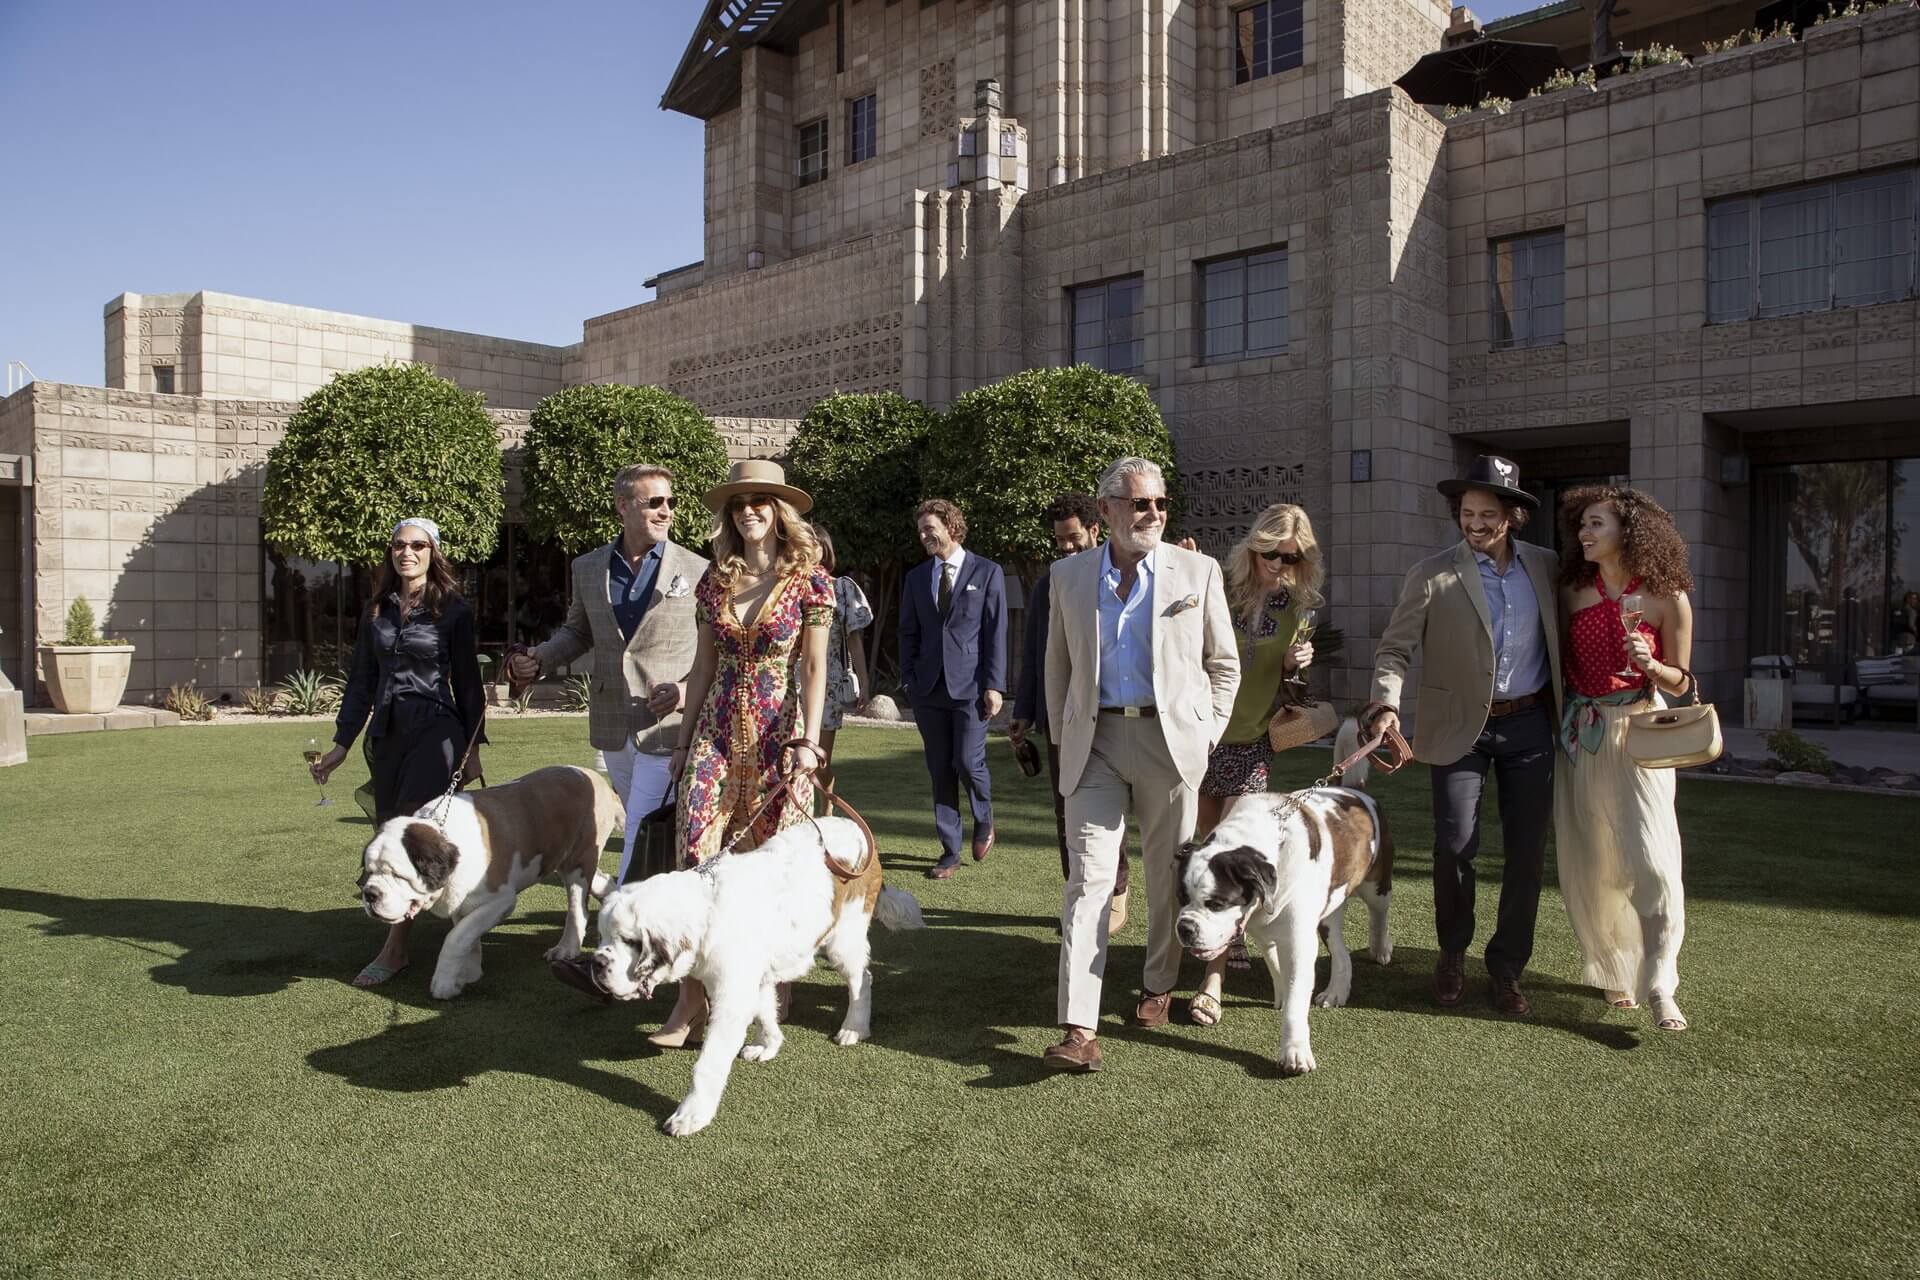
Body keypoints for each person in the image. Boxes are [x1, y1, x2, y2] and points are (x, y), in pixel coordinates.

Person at [1041, 457, 1240, 1072]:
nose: (1152, 513)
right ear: (1106, 511)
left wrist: (1205, 734)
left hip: (1171, 743)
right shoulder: (1067, 575)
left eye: (1159, 503)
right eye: (1138, 504)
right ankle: (1079, 1027)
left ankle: (1158, 984)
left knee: (1165, 875)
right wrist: (1064, 736)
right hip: (1095, 744)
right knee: (1087, 882)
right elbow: (1058, 668)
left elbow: (1223, 665)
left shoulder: (1197, 570)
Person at [1364, 455, 1563, 1016]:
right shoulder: (1431, 573)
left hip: (1529, 725)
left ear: (1514, 516)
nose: (1475, 523)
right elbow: (1394, 648)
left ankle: (1506, 970)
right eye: (1467, 513)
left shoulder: (1546, 568)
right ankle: (1452, 952)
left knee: (1526, 855)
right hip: (1457, 730)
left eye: (1488, 513)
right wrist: (1385, 704)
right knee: (1454, 848)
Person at [506, 465, 710, 996]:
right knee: (645, 840)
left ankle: (606, 957)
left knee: (640, 827)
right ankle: (657, 944)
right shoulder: (589, 566)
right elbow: (578, 632)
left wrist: (688, 689)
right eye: (654, 502)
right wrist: (539, 660)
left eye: (670, 502)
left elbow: (715, 646)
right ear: (623, 507)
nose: (666, 510)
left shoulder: (699, 568)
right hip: (611, 722)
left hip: (668, 727)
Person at [652, 459, 834, 1047]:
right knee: (694, 855)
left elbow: (812, 664)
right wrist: (682, 743)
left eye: (760, 500)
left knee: (775, 864)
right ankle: (690, 1003)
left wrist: (808, 738)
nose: (748, 510)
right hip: (715, 731)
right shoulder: (714, 580)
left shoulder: (812, 581)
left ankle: (770, 993)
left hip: (783, 733)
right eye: (738, 503)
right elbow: (703, 664)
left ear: (779, 512)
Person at [311, 518, 486, 988]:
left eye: (417, 546)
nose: (406, 553)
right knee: (387, 829)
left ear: (433, 552)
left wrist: (472, 750)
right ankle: (438, 921)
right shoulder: (377, 609)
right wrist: (341, 745)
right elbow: (362, 682)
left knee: (411, 829)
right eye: (398, 545)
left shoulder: (454, 610)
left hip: (436, 731)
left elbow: (470, 685)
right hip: (386, 734)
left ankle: (396, 948)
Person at [1554, 485, 1697, 1031]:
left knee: (1654, 860)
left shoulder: (1668, 597)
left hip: (1639, 732)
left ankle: (1661, 979)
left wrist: (1652, 666)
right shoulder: (1571, 591)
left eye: (1597, 525)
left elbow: (1683, 683)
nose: (1586, 534)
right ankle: (1617, 968)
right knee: (1597, 862)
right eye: (1583, 526)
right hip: (1581, 737)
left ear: (1629, 533)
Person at [1188, 502, 1323, 1027]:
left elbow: (1294, 692)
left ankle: (1213, 980)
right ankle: (1224, 937)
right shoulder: (1217, 587)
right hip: (1202, 736)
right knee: (1204, 848)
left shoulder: (1298, 606)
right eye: (1270, 552)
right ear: (1253, 547)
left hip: (1252, 743)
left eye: (1290, 556)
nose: (1278, 563)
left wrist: (1296, 666)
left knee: (1228, 853)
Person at [1009, 493, 1129, 930]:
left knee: (1111, 807)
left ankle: (1116, 889)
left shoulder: (1125, 575)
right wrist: (1024, 711)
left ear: (1095, 529)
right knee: (1068, 813)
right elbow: (1036, 654)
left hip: (1116, 714)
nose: (1065, 547)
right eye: (1059, 539)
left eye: (1073, 537)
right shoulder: (1050, 583)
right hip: (1063, 719)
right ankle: (1079, 897)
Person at [899, 498, 1008, 880]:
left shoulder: (988, 571)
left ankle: (984, 818)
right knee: (939, 769)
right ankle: (949, 851)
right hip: (927, 690)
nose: (925, 535)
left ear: (951, 526)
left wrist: (994, 685)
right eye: (921, 530)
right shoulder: (915, 578)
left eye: (931, 528)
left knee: (967, 761)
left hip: (972, 688)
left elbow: (996, 631)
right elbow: (908, 632)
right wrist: (909, 680)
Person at [812, 524, 872, 798]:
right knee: (790, 759)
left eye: (814, 544)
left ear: (825, 549)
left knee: (819, 760)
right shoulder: (785, 590)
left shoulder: (841, 589)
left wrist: (866, 686)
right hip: (789, 683)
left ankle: (826, 806)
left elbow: (855, 642)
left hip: (828, 684)